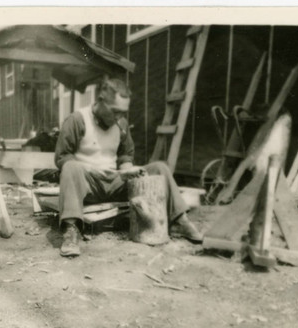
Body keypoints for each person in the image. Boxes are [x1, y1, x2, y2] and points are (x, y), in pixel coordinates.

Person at [54, 77, 202, 257]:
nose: (119, 117)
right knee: (70, 167)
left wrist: (128, 171)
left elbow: (126, 154)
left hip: (116, 181)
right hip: (87, 184)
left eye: (123, 113)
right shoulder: (77, 119)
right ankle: (71, 229)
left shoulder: (121, 124)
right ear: (101, 101)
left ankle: (179, 220)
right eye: (115, 111)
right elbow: (62, 157)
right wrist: (92, 170)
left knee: (159, 169)